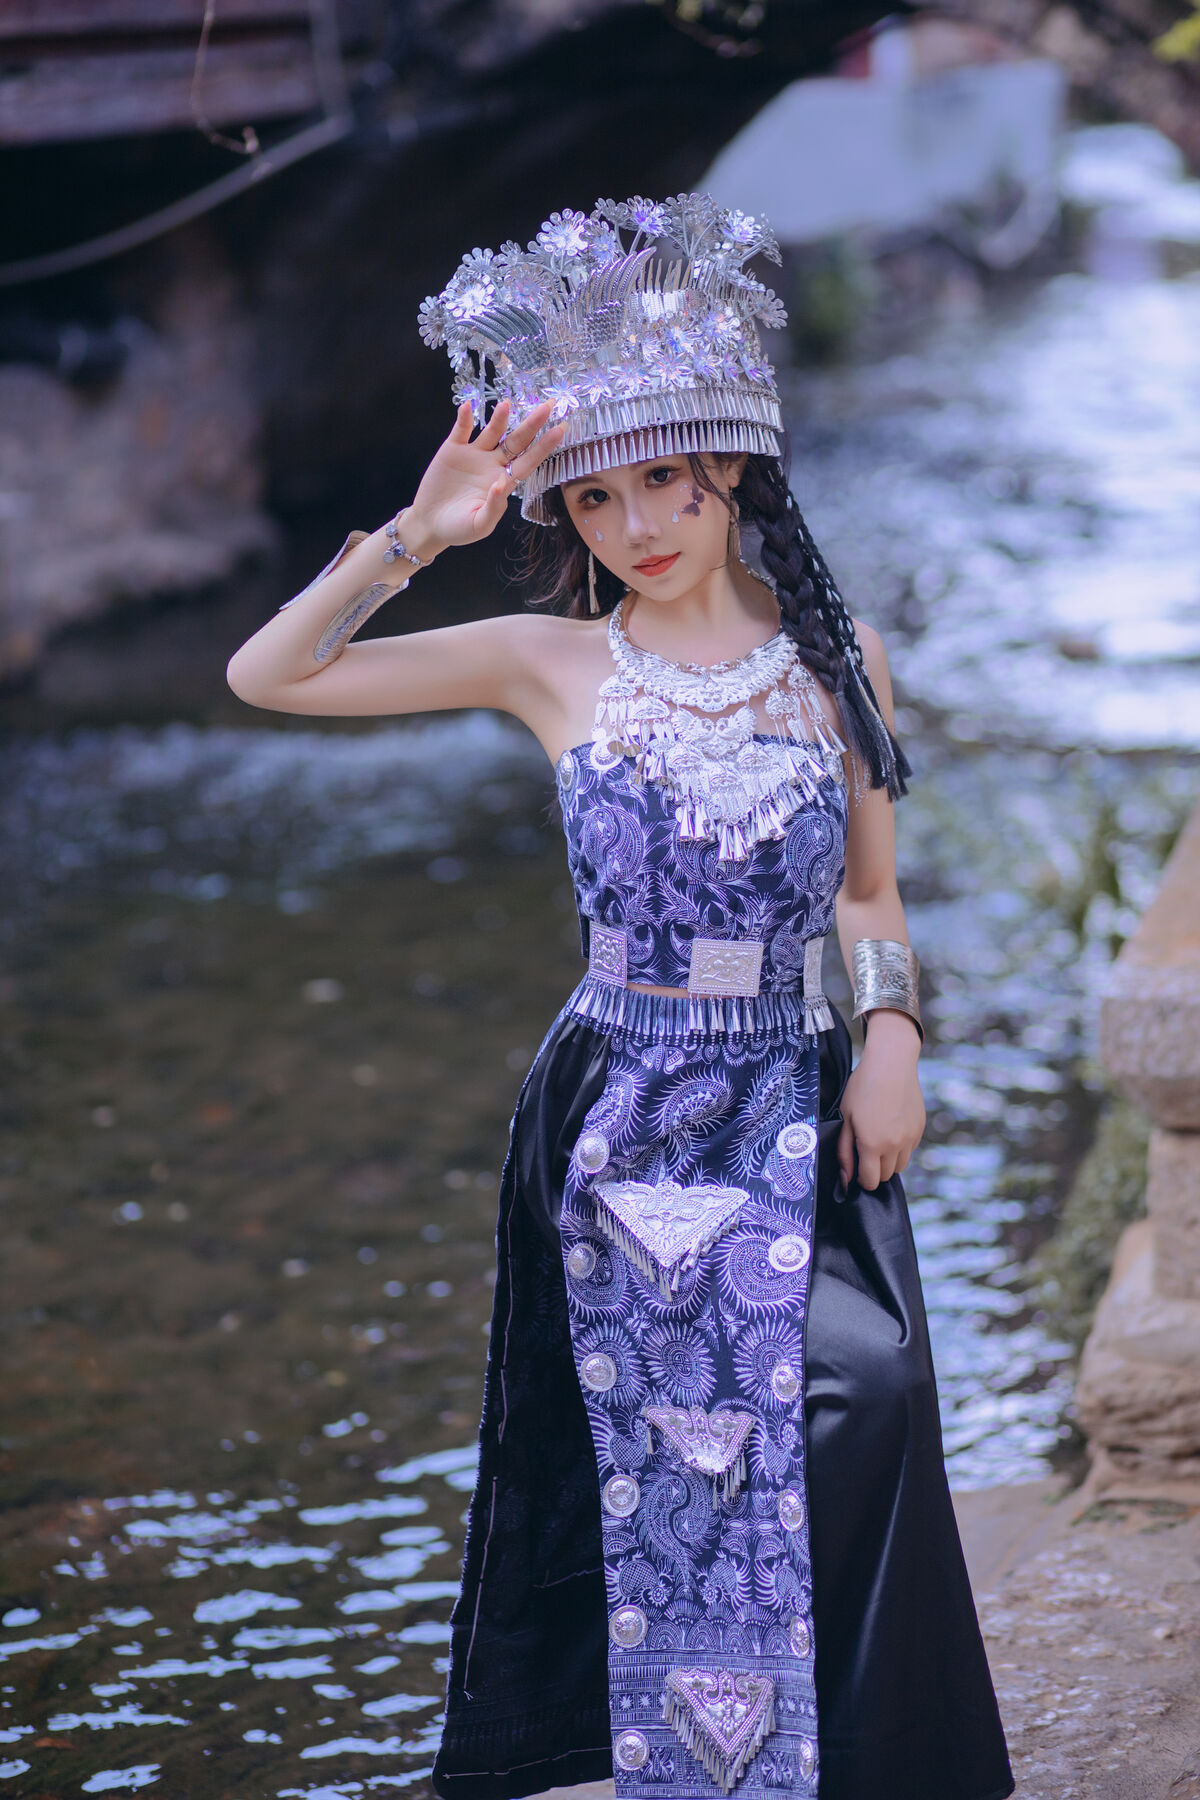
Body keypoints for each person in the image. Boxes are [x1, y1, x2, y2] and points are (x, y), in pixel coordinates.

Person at [228, 194, 1013, 1800]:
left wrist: (893, 1044)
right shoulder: (547, 662)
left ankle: (861, 1757)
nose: (637, 525)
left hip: (794, 1084)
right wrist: (422, 535)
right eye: (595, 497)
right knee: (665, 1455)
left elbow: (869, 892)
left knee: (862, 1389)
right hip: (624, 1110)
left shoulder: (839, 658)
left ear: (731, 467)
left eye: (664, 481)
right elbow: (270, 676)